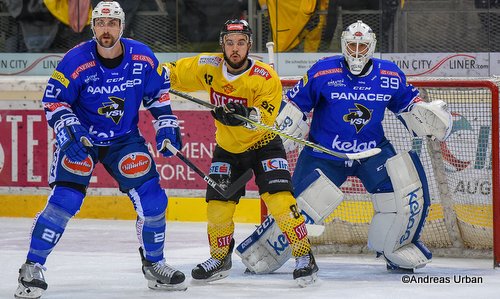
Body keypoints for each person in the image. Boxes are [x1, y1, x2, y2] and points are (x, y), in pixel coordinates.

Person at [14, 2, 186, 298]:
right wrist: (68, 128)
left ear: (122, 26)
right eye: (100, 23)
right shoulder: (75, 60)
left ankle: (155, 265)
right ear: (93, 27)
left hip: (124, 140)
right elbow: (54, 100)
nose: (106, 29)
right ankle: (32, 266)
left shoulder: (143, 57)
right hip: (82, 140)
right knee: (65, 200)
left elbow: (157, 93)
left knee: (154, 200)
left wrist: (166, 124)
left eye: (112, 23)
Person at [276, 20, 452, 273]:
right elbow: (296, 104)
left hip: (373, 153)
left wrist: (423, 113)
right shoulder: (322, 71)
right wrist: (286, 123)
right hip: (325, 153)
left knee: (400, 198)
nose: (356, 51)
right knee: (295, 206)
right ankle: (270, 249)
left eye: (362, 46)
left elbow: (408, 104)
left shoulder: (389, 74)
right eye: (351, 45)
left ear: (371, 47)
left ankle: (396, 249)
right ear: (343, 45)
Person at [163, 19, 319, 287]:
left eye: (241, 43)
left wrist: (242, 115)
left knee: (281, 202)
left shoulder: (264, 77)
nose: (235, 48)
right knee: (217, 209)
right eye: (230, 43)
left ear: (249, 45)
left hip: (264, 145)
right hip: (228, 149)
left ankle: (304, 256)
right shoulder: (208, 66)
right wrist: (146, 74)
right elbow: (171, 73)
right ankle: (220, 258)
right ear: (222, 44)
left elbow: (265, 117)